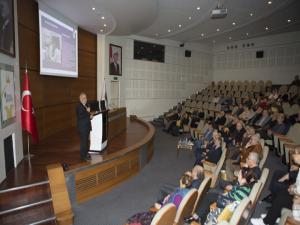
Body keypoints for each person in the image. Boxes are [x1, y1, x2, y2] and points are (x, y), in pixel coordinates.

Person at [251, 152, 300, 225]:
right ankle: (273, 215)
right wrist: (293, 187)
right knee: (282, 192)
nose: (293, 155)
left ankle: (266, 222)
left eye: (295, 153)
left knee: (281, 197)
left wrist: (293, 190)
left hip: (298, 202)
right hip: (296, 193)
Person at [127, 174, 193, 225]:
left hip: (165, 213)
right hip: (168, 206)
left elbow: (173, 208)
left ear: (182, 182)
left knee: (138, 218)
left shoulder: (178, 196)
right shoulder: (187, 191)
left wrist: (160, 207)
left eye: (180, 179)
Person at [76, 92, 92, 161]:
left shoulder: (86, 105)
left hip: (87, 127)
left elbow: (87, 114)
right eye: (83, 98)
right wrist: (88, 114)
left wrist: (89, 114)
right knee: (83, 143)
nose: (85, 99)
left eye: (85, 98)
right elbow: (81, 116)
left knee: (86, 142)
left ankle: (86, 153)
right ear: (80, 99)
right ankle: (83, 157)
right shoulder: (79, 106)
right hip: (83, 128)